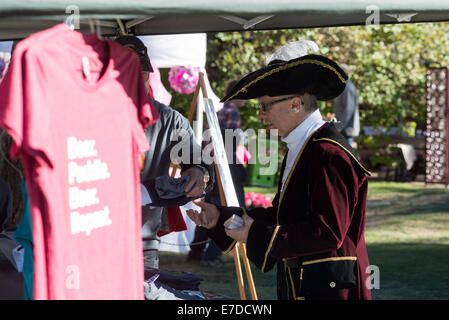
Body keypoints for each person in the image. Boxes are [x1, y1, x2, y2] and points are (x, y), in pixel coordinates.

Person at [186, 40, 372, 300]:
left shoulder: (328, 153)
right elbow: (284, 215)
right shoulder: (305, 146)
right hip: (305, 283)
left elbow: (328, 232)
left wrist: (255, 234)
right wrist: (222, 218)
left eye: (265, 105)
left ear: (296, 103)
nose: (261, 115)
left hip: (330, 287)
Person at [114, 36, 214, 269]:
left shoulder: (169, 120)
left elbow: (199, 162)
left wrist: (199, 173)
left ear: (148, 77)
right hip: (88, 240)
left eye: (141, 75)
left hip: (142, 245)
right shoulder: (83, 115)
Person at [187, 80, 248, 266]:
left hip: (212, 164)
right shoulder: (232, 112)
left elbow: (209, 141)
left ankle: (196, 252)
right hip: (223, 165)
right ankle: (212, 254)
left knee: (210, 206)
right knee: (228, 207)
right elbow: (226, 143)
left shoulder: (220, 111)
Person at [333, 64, 360, 147]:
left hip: (346, 129)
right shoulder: (344, 87)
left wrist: (339, 126)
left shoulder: (348, 88)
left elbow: (349, 110)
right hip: (343, 128)